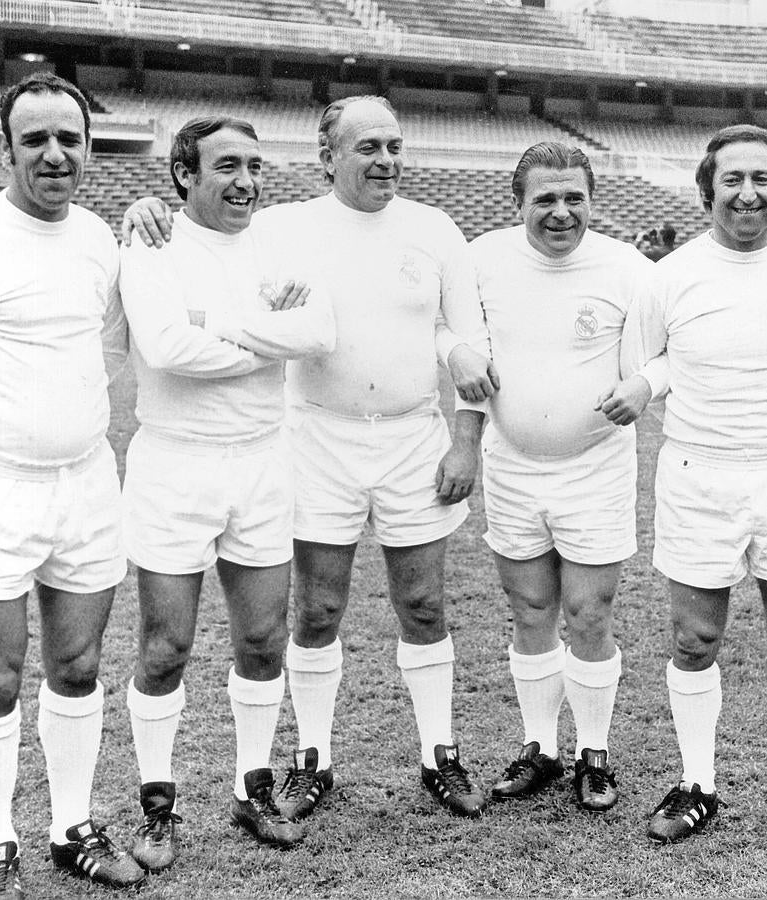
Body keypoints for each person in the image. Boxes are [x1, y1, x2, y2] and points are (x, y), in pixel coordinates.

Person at [122, 95, 497, 819]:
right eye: (367, 148)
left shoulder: (435, 228)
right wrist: (143, 208)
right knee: (317, 609)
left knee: (424, 604)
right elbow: (198, 231)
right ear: (328, 157)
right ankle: (313, 759)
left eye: (394, 146)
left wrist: (465, 438)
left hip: (413, 437)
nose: (385, 160)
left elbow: (466, 338)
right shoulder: (279, 227)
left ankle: (439, 755)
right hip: (315, 439)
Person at [0, 72, 143, 899]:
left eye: (69, 139)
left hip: (85, 484)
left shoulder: (97, 239)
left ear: (88, 149)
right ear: (3, 149)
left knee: (78, 666)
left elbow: (111, 346)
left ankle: (70, 829)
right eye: (36, 139)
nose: (55, 154)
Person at [118, 116, 337, 870]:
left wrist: (217, 326)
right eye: (226, 166)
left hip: (262, 461)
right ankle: (157, 806)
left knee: (263, 641)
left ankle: (252, 787)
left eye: (254, 165)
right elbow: (165, 348)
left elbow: (320, 332)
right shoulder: (151, 242)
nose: (245, 182)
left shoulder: (278, 244)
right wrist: (265, 335)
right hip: (174, 465)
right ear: (184, 174)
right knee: (166, 647)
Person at [630, 125, 767, 847]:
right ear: (708, 189)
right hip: (698, 474)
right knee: (694, 639)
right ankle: (697, 784)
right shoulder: (669, 276)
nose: (747, 194)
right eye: (732, 179)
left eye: (761, 179)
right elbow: (650, 366)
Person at [468, 142, 657, 812]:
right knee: (529, 610)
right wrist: (456, 350)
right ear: (517, 202)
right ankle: (540, 747)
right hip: (511, 466)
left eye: (574, 197)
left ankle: (593, 752)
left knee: (588, 613)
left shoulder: (627, 268)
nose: (560, 212)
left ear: (591, 199)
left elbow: (668, 353)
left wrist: (644, 384)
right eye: (544, 198)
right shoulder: (481, 260)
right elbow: (445, 331)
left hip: (595, 467)